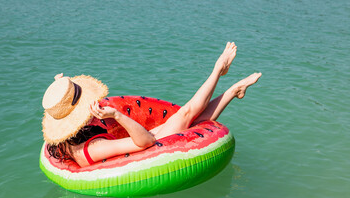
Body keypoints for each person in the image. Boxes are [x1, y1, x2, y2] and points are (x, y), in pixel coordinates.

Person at [42, 42, 261, 167]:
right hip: (145, 152)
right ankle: (218, 69)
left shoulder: (67, 141)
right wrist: (116, 116)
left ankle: (233, 91)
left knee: (191, 119)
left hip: (134, 145)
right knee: (186, 114)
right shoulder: (93, 148)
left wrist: (59, 85)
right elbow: (145, 142)